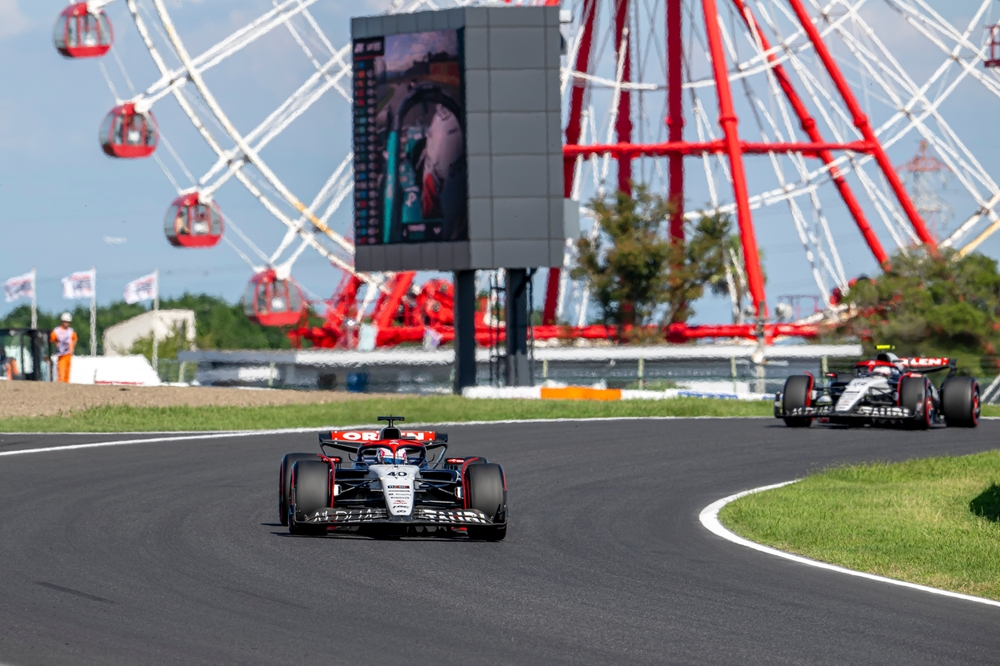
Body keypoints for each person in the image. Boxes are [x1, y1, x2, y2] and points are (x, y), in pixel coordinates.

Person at [50, 313, 78, 383]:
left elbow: (75, 339)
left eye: (68, 322)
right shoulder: (57, 331)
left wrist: (72, 347)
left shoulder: (71, 331)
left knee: (67, 375)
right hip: (61, 355)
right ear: (62, 322)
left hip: (68, 355)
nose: (67, 323)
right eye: (65, 322)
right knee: (61, 374)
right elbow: (51, 339)